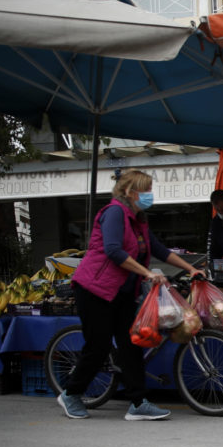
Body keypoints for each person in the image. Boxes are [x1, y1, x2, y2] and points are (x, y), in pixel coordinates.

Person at [57, 170, 204, 421]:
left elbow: (158, 249)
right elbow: (113, 250)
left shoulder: (139, 219)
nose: (149, 195)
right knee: (98, 346)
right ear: (130, 192)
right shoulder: (114, 213)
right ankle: (71, 393)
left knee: (131, 344)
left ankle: (138, 402)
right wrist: (147, 272)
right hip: (95, 289)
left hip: (123, 292)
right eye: (145, 190)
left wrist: (190, 268)